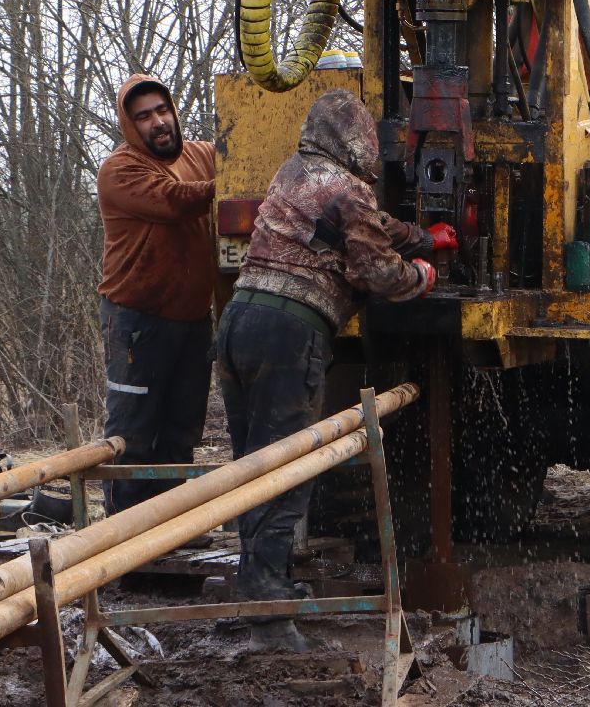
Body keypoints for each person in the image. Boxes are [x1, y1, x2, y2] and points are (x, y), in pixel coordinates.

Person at [216, 89, 456, 651]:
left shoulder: (295, 174)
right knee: (287, 468)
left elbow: (358, 226)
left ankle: (257, 580)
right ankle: (270, 618)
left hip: (238, 322)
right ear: (357, 142)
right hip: (289, 332)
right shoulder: (347, 188)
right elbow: (378, 272)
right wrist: (424, 273)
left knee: (251, 465)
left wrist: (420, 234)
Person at [96, 75, 217, 514]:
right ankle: (123, 552)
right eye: (144, 116)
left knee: (181, 435)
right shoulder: (121, 170)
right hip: (136, 322)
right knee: (132, 437)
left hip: (192, 320)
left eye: (162, 110)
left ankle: (171, 540)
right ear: (130, 126)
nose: (158, 122)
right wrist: (233, 184)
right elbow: (176, 200)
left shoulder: (202, 155)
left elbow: (240, 163)